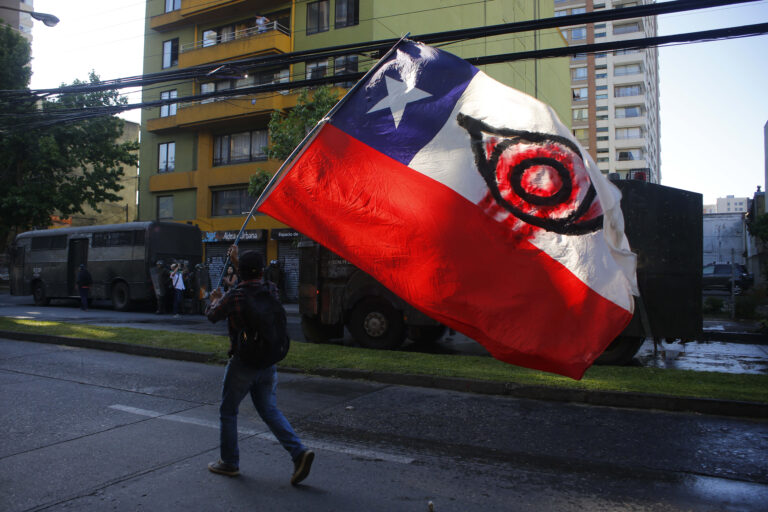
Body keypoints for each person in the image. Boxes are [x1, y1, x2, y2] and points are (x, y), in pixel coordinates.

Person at [205, 245, 314, 485]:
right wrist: (238, 261)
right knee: (269, 409)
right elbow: (253, 283)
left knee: (228, 411)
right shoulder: (271, 289)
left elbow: (213, 315)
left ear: (241, 272)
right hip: (268, 361)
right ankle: (298, 452)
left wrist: (214, 300)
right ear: (262, 271)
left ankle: (229, 462)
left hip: (243, 363)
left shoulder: (235, 296)